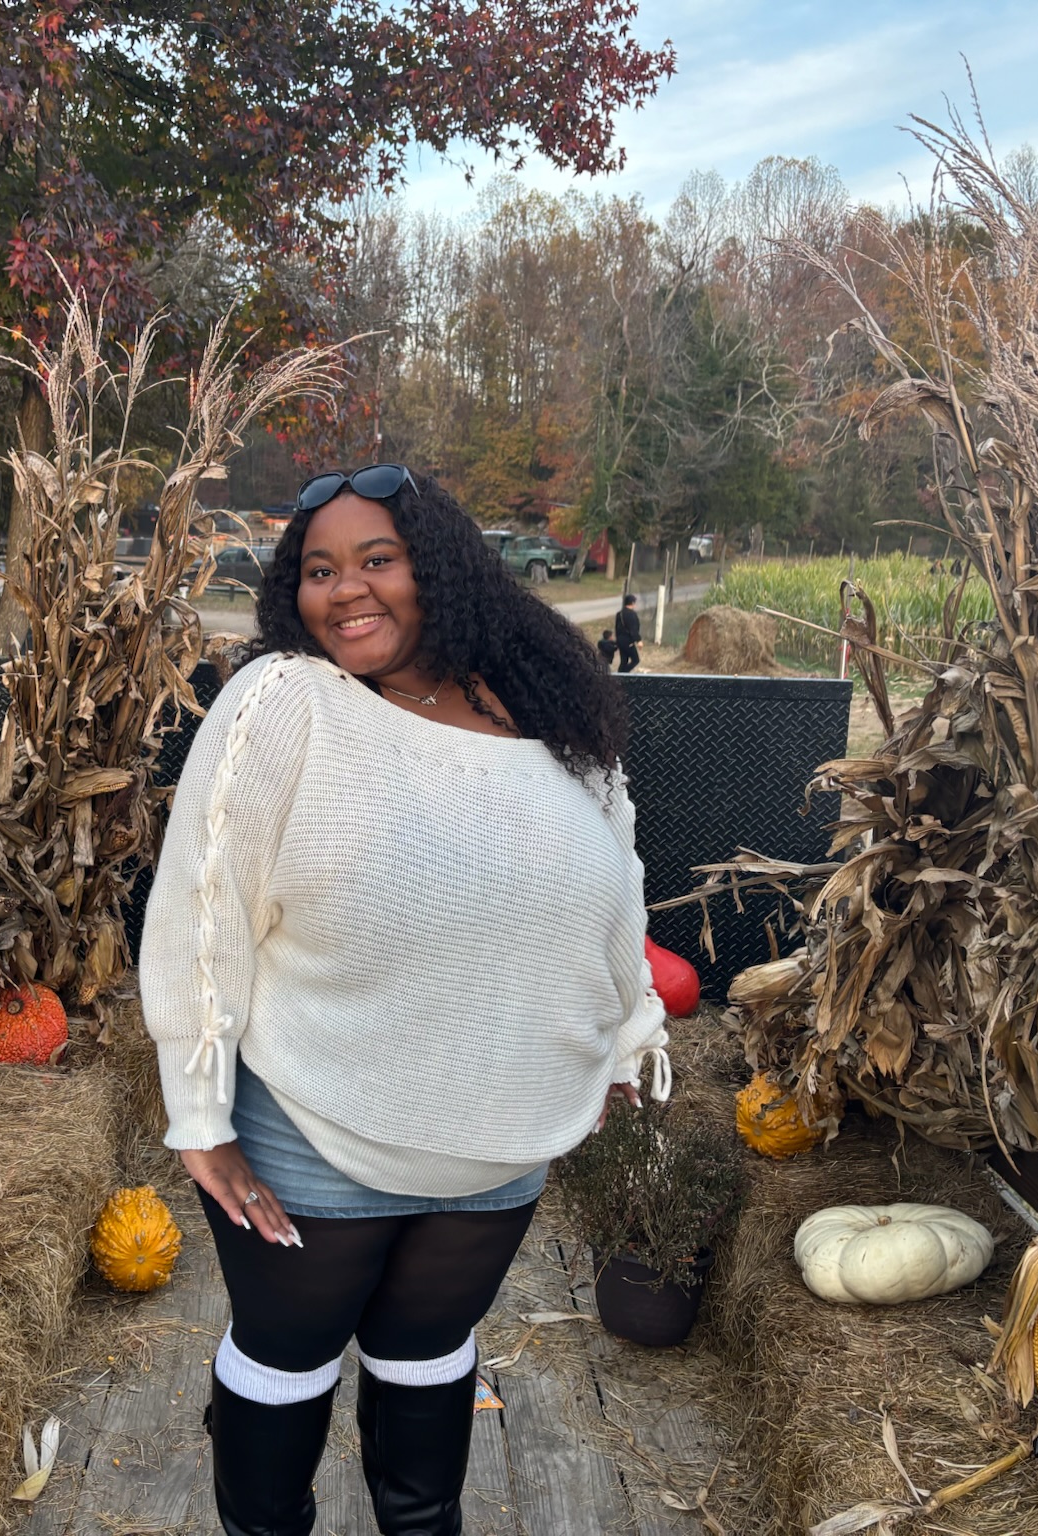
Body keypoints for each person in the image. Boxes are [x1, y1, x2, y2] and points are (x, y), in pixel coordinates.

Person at [140, 463, 669, 1536]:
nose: (346, 590)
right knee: (286, 1358)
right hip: (312, 1128)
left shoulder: (545, 708)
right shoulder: (286, 704)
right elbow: (203, 910)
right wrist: (198, 1113)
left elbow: (614, 884)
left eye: (375, 560)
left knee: (427, 1355)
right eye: (320, 570)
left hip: (500, 1136)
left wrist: (620, 1042)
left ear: (439, 567)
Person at [614, 591, 642, 673]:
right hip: (628, 641)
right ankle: (624, 674)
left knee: (624, 660)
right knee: (635, 660)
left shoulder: (619, 614)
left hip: (620, 640)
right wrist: (638, 640)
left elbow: (617, 628)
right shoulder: (631, 614)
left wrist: (618, 640)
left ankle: (620, 676)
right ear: (632, 603)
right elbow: (633, 629)